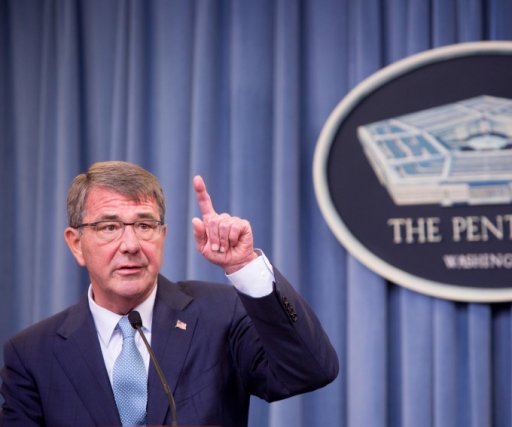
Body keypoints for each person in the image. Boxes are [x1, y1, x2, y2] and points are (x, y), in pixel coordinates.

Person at [0, 161, 338, 427]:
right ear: (76, 244)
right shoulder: (32, 353)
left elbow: (310, 370)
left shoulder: (220, 314)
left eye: (144, 225)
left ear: (162, 235)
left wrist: (244, 266)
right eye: (109, 227)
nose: (131, 245)